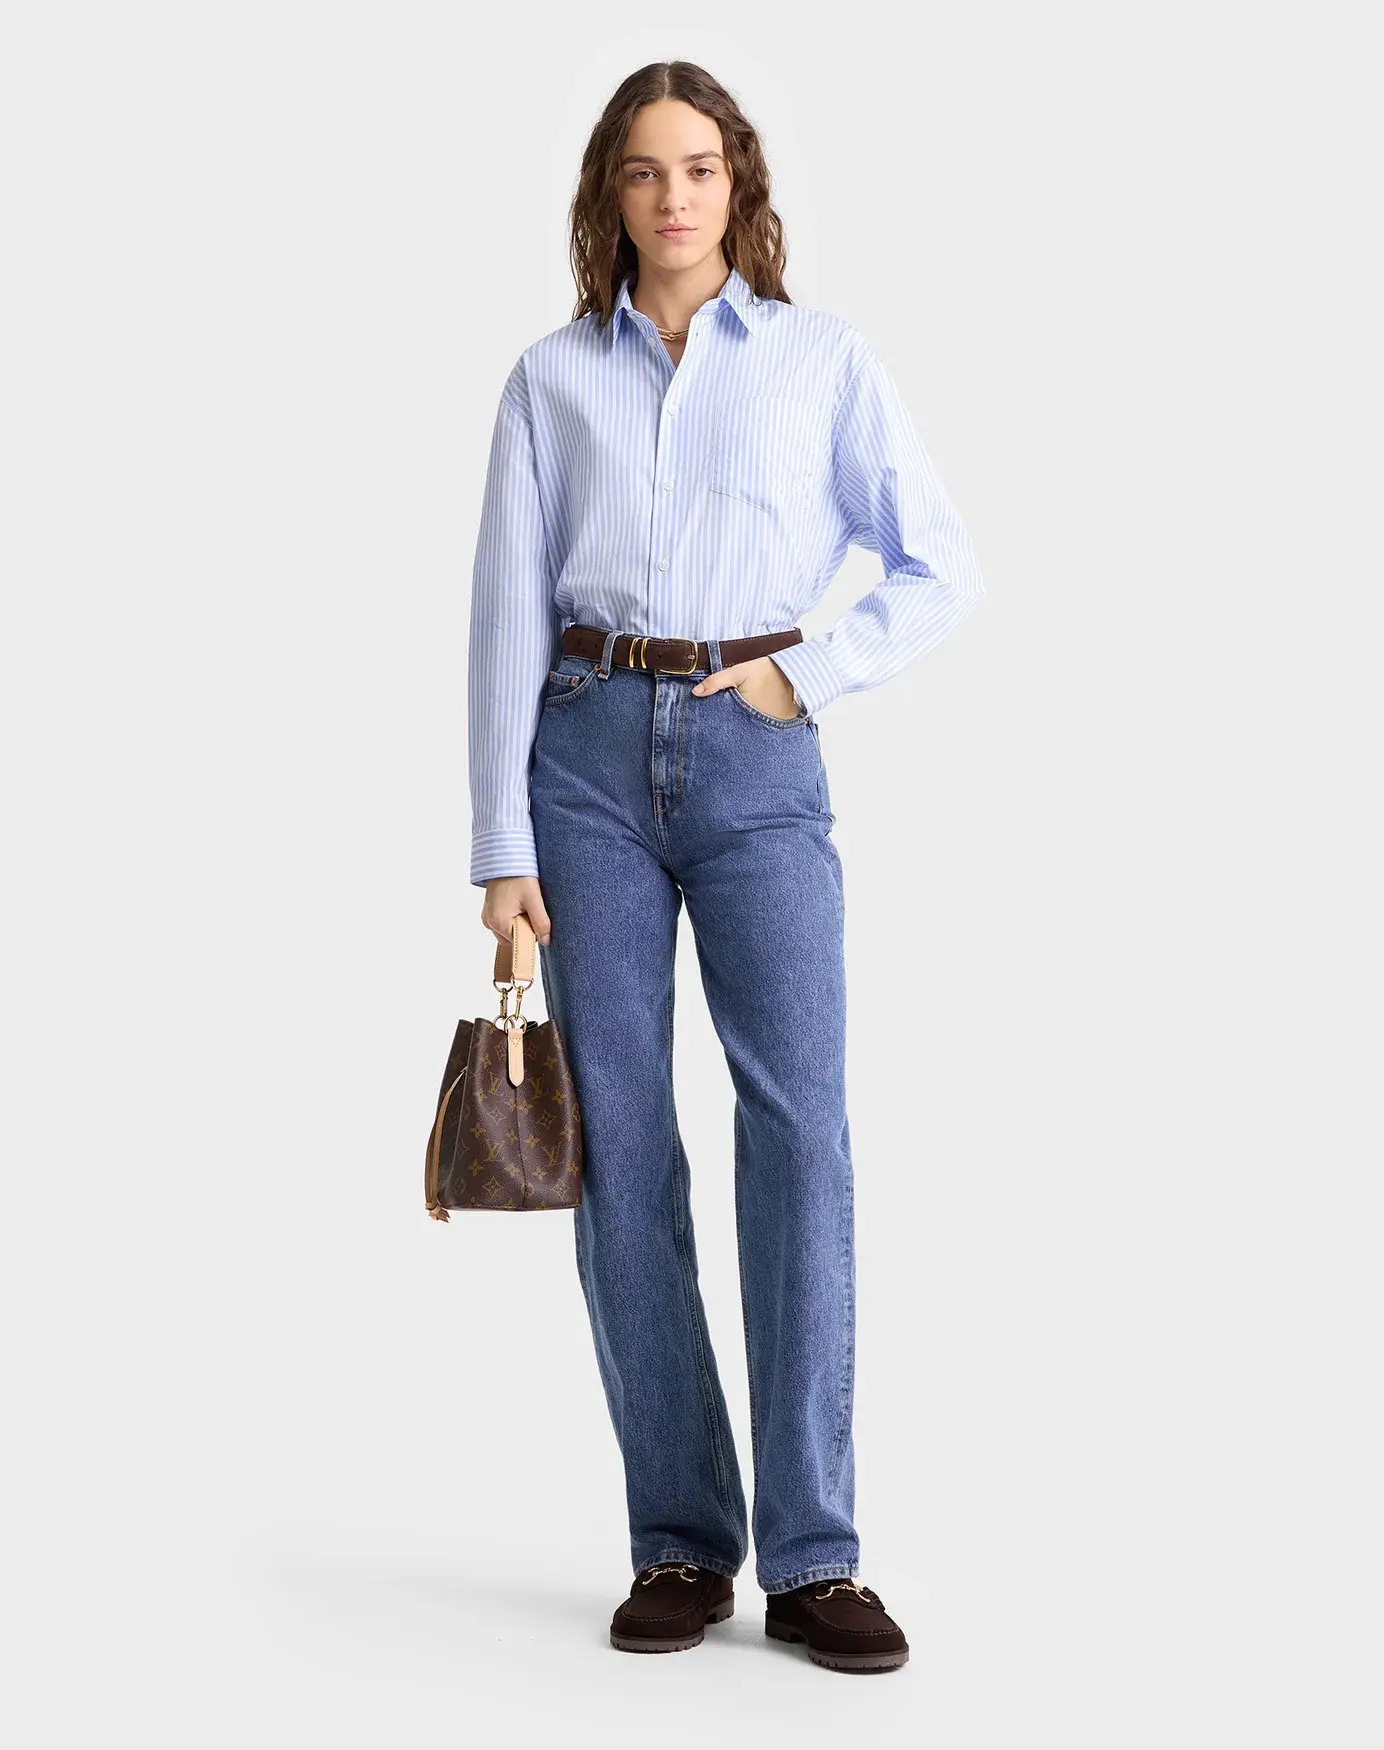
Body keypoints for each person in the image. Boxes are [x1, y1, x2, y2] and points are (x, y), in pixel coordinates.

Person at [466, 60, 983, 1674]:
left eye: (699, 167)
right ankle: (681, 1536)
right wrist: (499, 844)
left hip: (759, 757)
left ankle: (817, 1556)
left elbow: (941, 564)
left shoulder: (822, 363)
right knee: (623, 1145)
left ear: (738, 184)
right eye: (643, 171)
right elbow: (502, 613)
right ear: (609, 197)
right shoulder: (551, 379)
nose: (673, 196)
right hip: (584, 761)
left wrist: (804, 677)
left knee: (801, 1132)